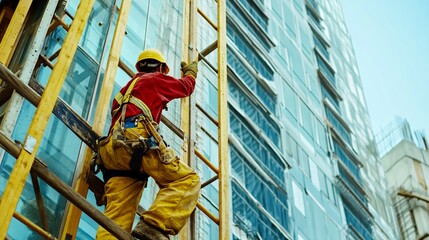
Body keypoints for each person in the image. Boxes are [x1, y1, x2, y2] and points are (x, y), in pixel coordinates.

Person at [95, 48, 200, 240]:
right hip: (135, 143)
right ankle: (153, 227)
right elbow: (185, 87)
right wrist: (191, 74)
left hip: (113, 153)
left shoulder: (124, 91)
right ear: (159, 67)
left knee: (116, 220)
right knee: (187, 180)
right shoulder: (154, 80)